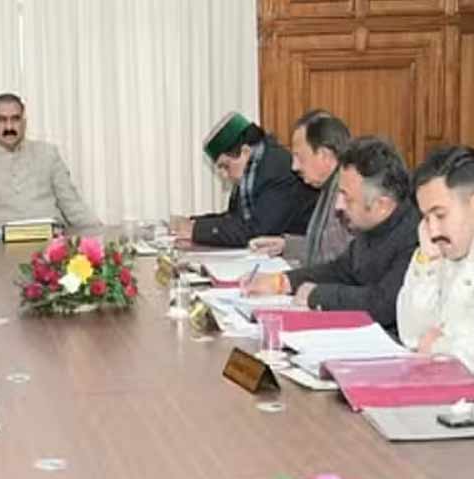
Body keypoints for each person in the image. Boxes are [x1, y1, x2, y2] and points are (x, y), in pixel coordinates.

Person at [244, 136, 419, 336]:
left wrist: (318, 295)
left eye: (347, 198)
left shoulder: (414, 236)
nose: (338, 205)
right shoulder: (370, 225)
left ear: (382, 205)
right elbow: (340, 270)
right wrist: (283, 281)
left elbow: (384, 303)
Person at [397, 146, 474, 377]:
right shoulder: (437, 247)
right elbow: (410, 334)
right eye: (426, 218)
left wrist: (436, 346)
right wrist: (427, 264)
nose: (433, 230)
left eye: (440, 215)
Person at [170, 111, 318, 247]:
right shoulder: (251, 169)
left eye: (225, 166)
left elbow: (257, 232)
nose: (224, 175)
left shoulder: (277, 168)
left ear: (245, 151)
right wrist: (193, 222)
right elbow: (234, 219)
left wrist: (196, 230)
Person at [0, 93, 100, 228]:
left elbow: (72, 205)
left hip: (51, 238)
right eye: (2, 120)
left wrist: (100, 233)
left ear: (24, 123)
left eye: (15, 119)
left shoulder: (48, 154)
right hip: (2, 240)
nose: (9, 127)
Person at [248, 110, 353, 266]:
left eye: (299, 157)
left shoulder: (347, 193)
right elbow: (326, 246)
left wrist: (288, 278)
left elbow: (336, 259)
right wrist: (286, 245)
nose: (294, 166)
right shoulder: (330, 184)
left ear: (324, 155)